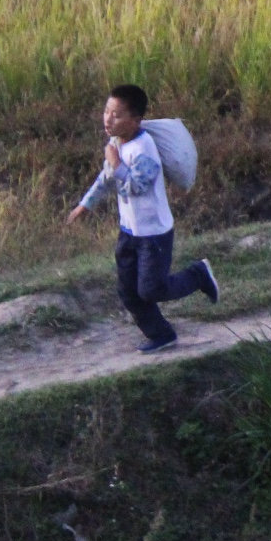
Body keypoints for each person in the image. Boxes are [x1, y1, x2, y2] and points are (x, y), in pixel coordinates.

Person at [64, 84, 218, 352]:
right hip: (129, 232)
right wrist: (85, 205)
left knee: (151, 290)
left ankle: (198, 275)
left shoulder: (144, 147)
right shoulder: (116, 143)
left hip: (154, 234)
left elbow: (138, 185)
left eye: (117, 115)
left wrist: (117, 165)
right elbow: (106, 178)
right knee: (128, 291)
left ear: (135, 120)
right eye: (106, 111)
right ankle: (161, 334)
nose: (108, 119)